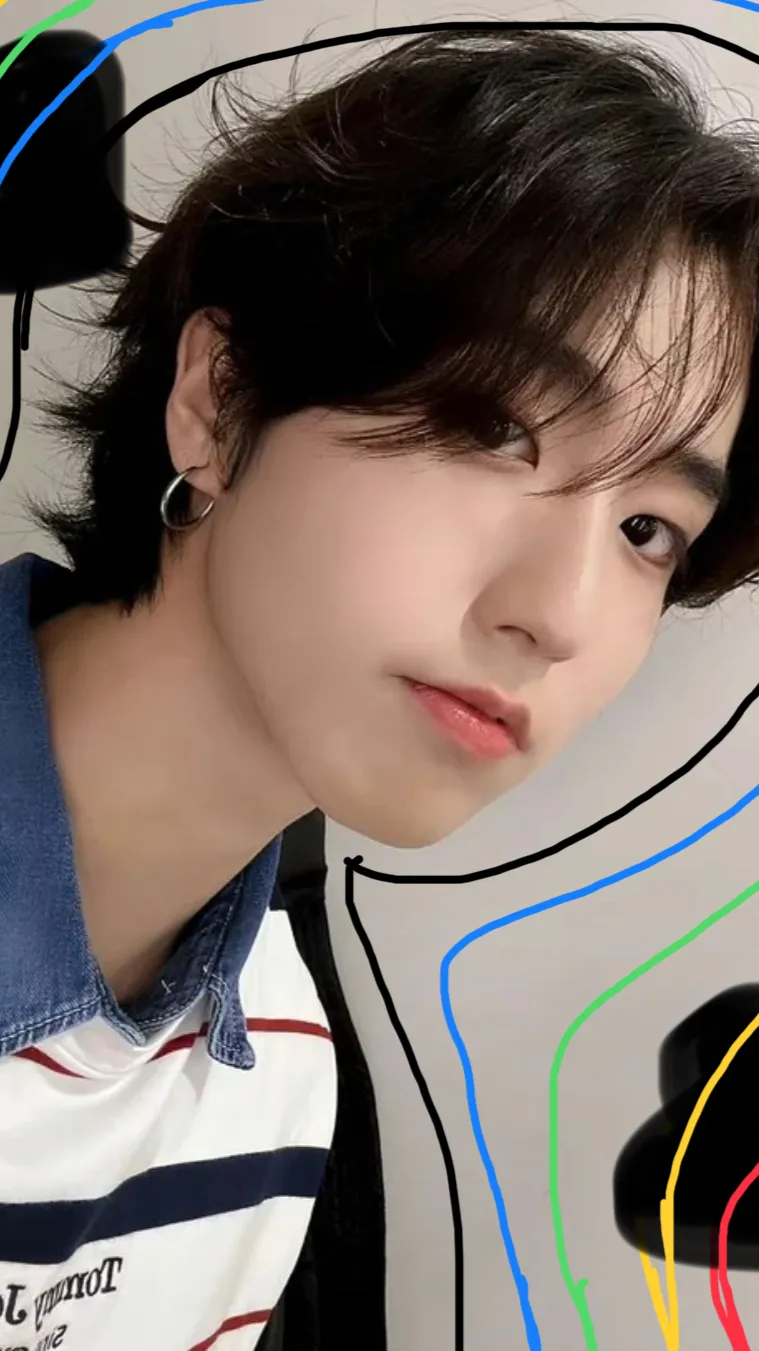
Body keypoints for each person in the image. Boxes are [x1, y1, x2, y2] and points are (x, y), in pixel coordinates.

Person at [1, 25, 759, 1351]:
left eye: (649, 531)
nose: (558, 614)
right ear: (221, 398)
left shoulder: (274, 1068)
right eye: (490, 427)